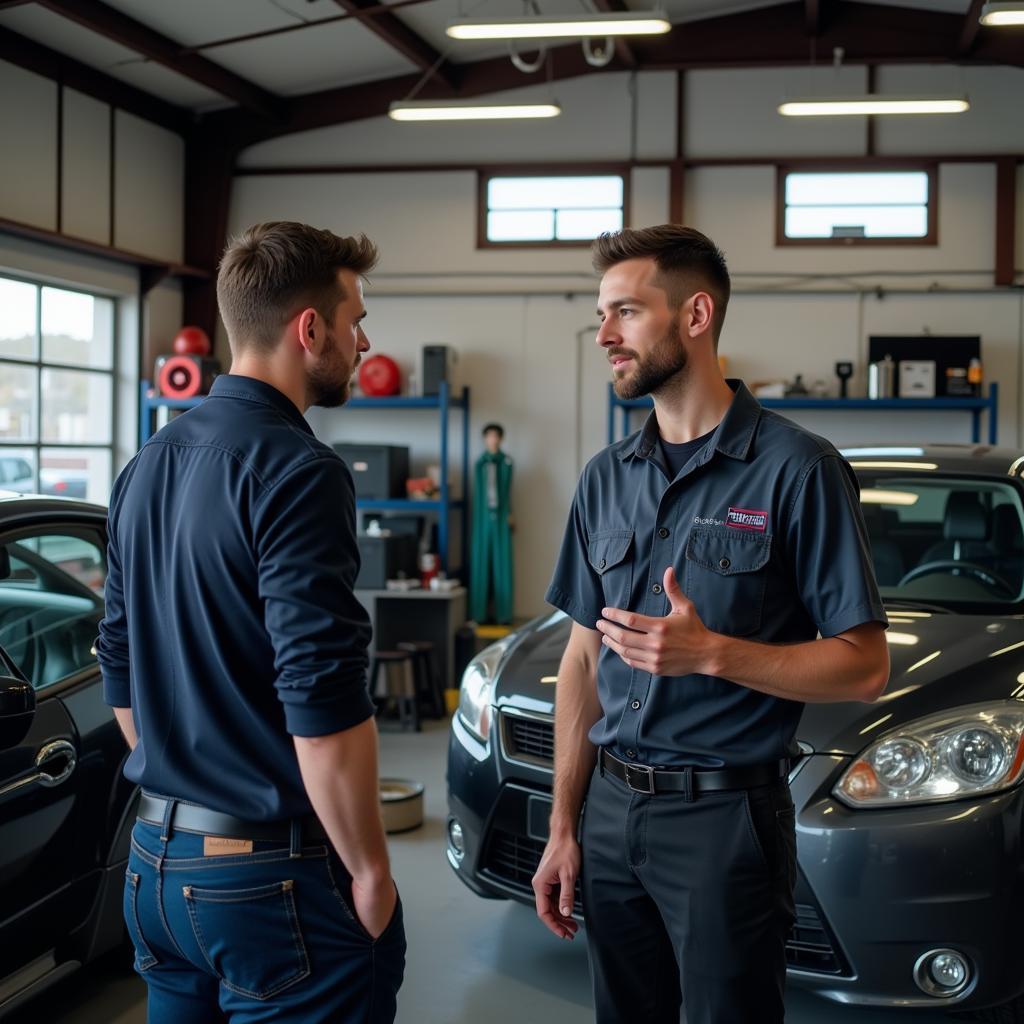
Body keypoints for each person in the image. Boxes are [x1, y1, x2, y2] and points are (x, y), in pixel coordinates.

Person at [531, 225, 889, 1024]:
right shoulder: (603, 480)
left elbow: (864, 666)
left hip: (726, 823)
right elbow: (584, 662)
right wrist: (564, 827)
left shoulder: (800, 470)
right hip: (613, 813)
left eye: (626, 312)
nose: (605, 335)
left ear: (696, 315)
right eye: (601, 315)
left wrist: (714, 654)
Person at [96, 221, 405, 1023]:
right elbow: (321, 696)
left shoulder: (146, 463)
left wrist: (189, 775)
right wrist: (370, 869)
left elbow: (118, 665)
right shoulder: (300, 472)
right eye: (355, 318)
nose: (364, 339)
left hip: (153, 867)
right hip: (268, 884)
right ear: (311, 329)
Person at [470, 422, 514, 624]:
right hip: (482, 518)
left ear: (501, 439)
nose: (493, 440)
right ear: (485, 439)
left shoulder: (506, 463)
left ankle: (504, 614)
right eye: (489, 437)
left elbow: (508, 492)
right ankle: (478, 613)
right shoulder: (480, 464)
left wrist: (510, 513)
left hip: (501, 516)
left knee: (502, 564)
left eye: (496, 436)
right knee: (480, 563)